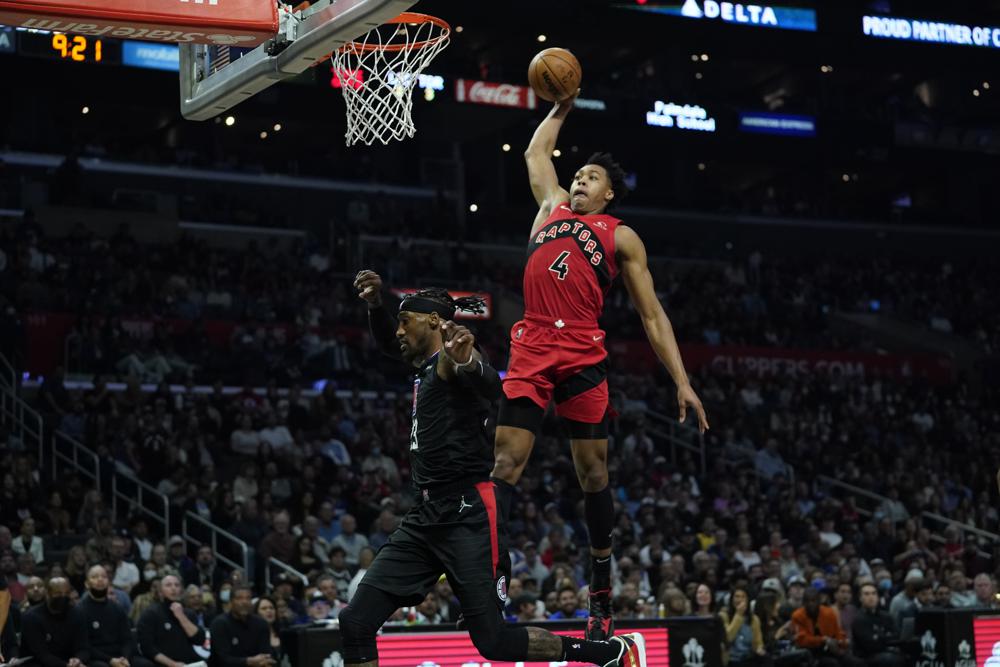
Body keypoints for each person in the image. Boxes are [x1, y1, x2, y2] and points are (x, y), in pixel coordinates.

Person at [486, 92, 710, 641]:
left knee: (593, 474)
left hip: (582, 350)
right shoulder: (551, 207)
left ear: (608, 193)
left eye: (591, 177)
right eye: (578, 175)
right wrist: (562, 106)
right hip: (532, 343)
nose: (580, 180)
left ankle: (601, 585)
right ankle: (494, 570)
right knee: (506, 462)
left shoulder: (621, 235)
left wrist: (682, 382)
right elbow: (536, 153)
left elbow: (652, 315)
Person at [345, 273, 646, 667]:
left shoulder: (451, 359)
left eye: (405, 322)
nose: (398, 331)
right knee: (355, 621)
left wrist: (468, 360)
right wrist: (375, 305)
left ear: (434, 322)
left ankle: (609, 653)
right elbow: (388, 341)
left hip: (467, 513)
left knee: (493, 641)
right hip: (425, 517)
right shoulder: (423, 363)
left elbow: (490, 384)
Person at [78, 564, 155, 667]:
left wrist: (125, 658)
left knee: (145, 665)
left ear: (109, 582)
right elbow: (84, 646)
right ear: (87, 584)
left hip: (120, 655)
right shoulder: (80, 609)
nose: (100, 579)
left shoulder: (117, 607)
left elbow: (127, 639)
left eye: (104, 576)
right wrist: (110, 660)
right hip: (97, 657)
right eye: (95, 577)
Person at [136, 574, 207, 667]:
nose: (173, 588)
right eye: (168, 585)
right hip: (161, 664)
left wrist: (181, 617)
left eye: (177, 585)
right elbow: (147, 648)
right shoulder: (151, 613)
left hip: (188, 663)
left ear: (181, 590)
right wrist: (172, 664)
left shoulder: (188, 613)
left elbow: (199, 640)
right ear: (160, 592)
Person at [20, 576, 90, 667]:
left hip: (70, 661)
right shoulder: (31, 617)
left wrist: (78, 659)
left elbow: (83, 647)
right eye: (58, 593)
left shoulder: (77, 613)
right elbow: (41, 654)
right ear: (47, 594)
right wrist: (66, 665)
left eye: (66, 593)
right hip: (39, 663)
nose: (63, 596)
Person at [209, 586, 275, 667]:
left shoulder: (261, 624)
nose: (244, 602)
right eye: (239, 598)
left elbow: (266, 655)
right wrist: (248, 661)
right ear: (231, 602)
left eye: (248, 598)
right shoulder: (220, 624)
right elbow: (222, 659)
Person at [792, 588, 857, 667]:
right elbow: (802, 640)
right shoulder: (797, 616)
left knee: (855, 662)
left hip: (831, 649)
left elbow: (837, 632)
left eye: (813, 600)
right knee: (832, 664)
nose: (810, 604)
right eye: (807, 601)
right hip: (810, 653)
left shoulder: (828, 613)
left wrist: (842, 642)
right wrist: (823, 640)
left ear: (819, 601)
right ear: (803, 602)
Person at [851, 583, 906, 667]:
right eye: (866, 594)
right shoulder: (858, 619)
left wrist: (879, 637)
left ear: (877, 597)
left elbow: (897, 635)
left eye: (874, 593)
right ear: (860, 598)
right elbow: (870, 646)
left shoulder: (886, 616)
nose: (871, 597)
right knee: (890, 659)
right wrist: (886, 637)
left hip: (886, 651)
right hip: (866, 656)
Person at [718, 586, 766, 666]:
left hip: (748, 659)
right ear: (732, 599)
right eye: (737, 596)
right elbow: (727, 638)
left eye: (743, 597)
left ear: (747, 600)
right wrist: (738, 615)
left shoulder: (754, 619)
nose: (740, 600)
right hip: (730, 660)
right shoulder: (723, 616)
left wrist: (759, 649)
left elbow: (758, 643)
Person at [253, 596, 285, 663]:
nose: (269, 611)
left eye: (271, 608)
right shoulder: (252, 637)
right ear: (256, 613)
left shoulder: (283, 632)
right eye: (264, 608)